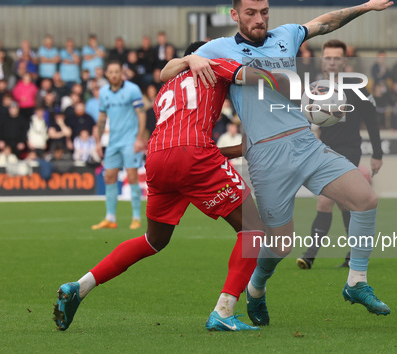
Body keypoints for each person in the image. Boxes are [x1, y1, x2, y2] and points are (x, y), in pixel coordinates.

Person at [167, 0, 395, 324]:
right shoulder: (218, 48)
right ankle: (256, 290)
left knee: (366, 200)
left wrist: (368, 5)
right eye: (251, 13)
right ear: (235, 15)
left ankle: (356, 281)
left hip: (306, 143)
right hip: (265, 157)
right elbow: (166, 72)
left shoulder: (286, 35)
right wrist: (190, 57)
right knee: (280, 245)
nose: (259, 19)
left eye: (264, 12)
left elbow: (326, 22)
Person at [53, 42, 268, 332]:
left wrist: (237, 149)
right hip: (192, 155)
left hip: (157, 157)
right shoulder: (215, 65)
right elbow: (254, 77)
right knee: (253, 229)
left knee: (153, 240)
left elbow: (183, 131)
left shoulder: (167, 89)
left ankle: (79, 286)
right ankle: (224, 310)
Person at [296, 39, 383, 270]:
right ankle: (354, 253)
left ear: (344, 61)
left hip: (349, 150)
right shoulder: (316, 87)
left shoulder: (356, 87)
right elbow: (308, 119)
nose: (332, 62)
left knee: (325, 201)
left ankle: (310, 255)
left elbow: (372, 120)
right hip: (324, 150)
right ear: (322, 60)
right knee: (345, 204)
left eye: (336, 58)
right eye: (328, 57)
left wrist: (377, 153)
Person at [91, 61, 146, 230]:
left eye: (117, 71)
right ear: (106, 74)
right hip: (113, 142)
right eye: (111, 72)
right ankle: (110, 218)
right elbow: (102, 118)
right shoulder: (104, 92)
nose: (114, 75)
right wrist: (99, 141)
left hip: (130, 140)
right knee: (109, 177)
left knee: (131, 177)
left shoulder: (132, 89)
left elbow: (141, 114)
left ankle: (136, 217)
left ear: (121, 73)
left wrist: (139, 138)